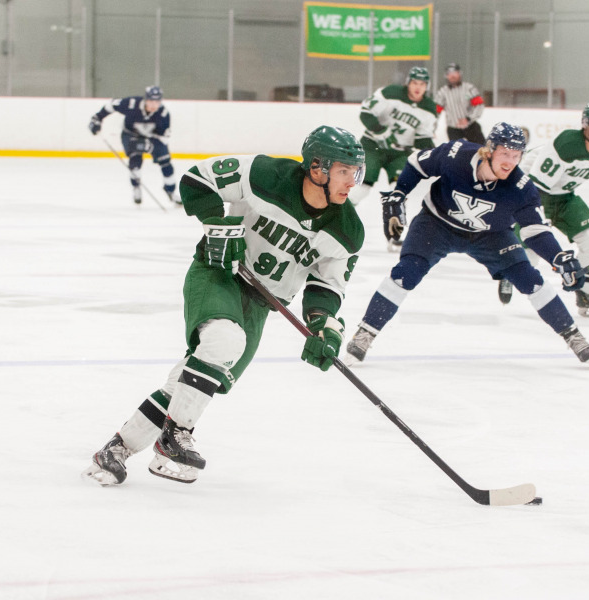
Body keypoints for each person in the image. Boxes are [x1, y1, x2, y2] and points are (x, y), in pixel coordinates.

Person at [82, 125, 366, 486]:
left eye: (356, 172)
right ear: (317, 168)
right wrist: (218, 225)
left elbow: (328, 284)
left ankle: (116, 450)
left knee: (192, 381)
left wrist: (324, 325)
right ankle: (175, 436)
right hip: (217, 274)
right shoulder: (264, 175)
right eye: (344, 171)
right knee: (224, 341)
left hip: (264, 303)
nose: (352, 182)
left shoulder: (348, 229)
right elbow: (197, 178)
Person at [343, 122, 589, 366]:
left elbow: (535, 231)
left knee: (530, 278)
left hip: (492, 236)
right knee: (406, 273)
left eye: (517, 155)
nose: (510, 161)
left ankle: (572, 334)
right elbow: (416, 164)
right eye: (505, 153)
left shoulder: (521, 187)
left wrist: (559, 257)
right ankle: (366, 332)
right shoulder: (456, 155)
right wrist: (400, 192)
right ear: (489, 150)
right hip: (437, 224)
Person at [498, 101, 589, 317]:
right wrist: (539, 222)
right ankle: (509, 271)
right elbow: (537, 186)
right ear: (585, 124)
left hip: (563, 195)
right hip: (532, 189)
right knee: (533, 251)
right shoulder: (567, 144)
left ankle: (585, 295)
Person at [350, 67, 437, 246]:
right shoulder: (390, 93)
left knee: (398, 193)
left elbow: (423, 138)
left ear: (426, 86)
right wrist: (379, 130)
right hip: (373, 146)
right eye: (414, 83)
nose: (418, 87)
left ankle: (394, 236)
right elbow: (366, 113)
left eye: (422, 84)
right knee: (361, 188)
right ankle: (333, 218)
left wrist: (433, 153)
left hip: (399, 153)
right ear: (408, 83)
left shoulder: (429, 108)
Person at [88, 85, 179, 205]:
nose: (153, 105)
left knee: (166, 162)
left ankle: (171, 191)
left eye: (157, 102)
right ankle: (136, 187)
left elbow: (163, 138)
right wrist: (97, 118)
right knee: (135, 159)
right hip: (130, 135)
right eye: (151, 101)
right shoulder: (132, 104)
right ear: (145, 99)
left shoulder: (163, 114)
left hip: (153, 137)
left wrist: (151, 145)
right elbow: (112, 105)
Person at [433, 63, 486, 145]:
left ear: (459, 74)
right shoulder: (442, 92)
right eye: (449, 74)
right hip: (453, 130)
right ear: (446, 76)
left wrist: (468, 118)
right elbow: (435, 112)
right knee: (457, 155)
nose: (452, 76)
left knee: (482, 150)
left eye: (455, 73)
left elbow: (479, 106)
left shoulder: (469, 88)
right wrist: (432, 129)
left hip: (471, 127)